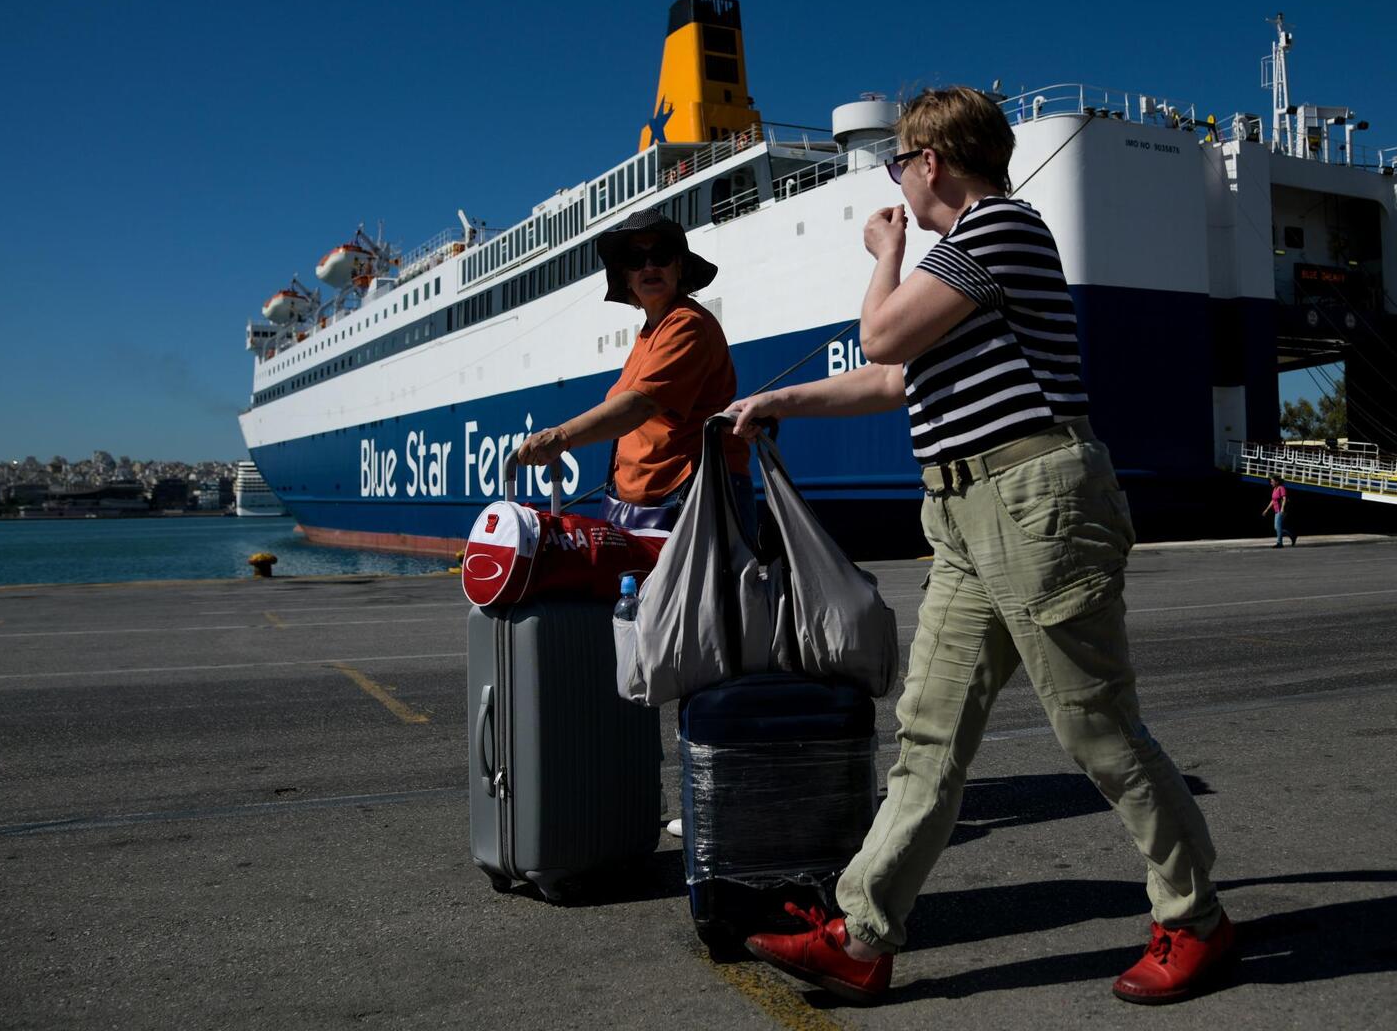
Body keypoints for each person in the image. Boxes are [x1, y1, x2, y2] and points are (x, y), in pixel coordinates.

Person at [725, 86, 1234, 1006]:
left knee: (1096, 729)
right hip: (963, 512)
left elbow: (879, 330)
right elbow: (890, 377)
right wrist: (779, 402)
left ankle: (1195, 919)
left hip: (1034, 497)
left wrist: (887, 253)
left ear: (928, 163)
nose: (895, 189)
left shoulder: (998, 228)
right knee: (931, 731)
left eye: (896, 167)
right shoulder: (968, 256)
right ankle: (863, 933)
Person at [515, 208, 753, 536]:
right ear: (625, 275)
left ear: (679, 266)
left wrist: (562, 436)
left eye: (661, 256)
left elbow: (640, 405)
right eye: (635, 259)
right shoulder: (649, 333)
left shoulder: (686, 324)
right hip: (646, 505)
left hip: (689, 501)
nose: (650, 266)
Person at [1264, 477, 1296, 547]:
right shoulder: (1274, 489)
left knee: (1278, 527)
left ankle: (1280, 543)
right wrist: (1266, 509)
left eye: (1272, 481)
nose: (1271, 483)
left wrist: (1282, 508)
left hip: (1281, 510)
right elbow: (1273, 500)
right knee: (1277, 528)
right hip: (1276, 510)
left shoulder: (1281, 488)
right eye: (1271, 482)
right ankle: (1292, 536)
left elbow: (1284, 499)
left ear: (1277, 482)